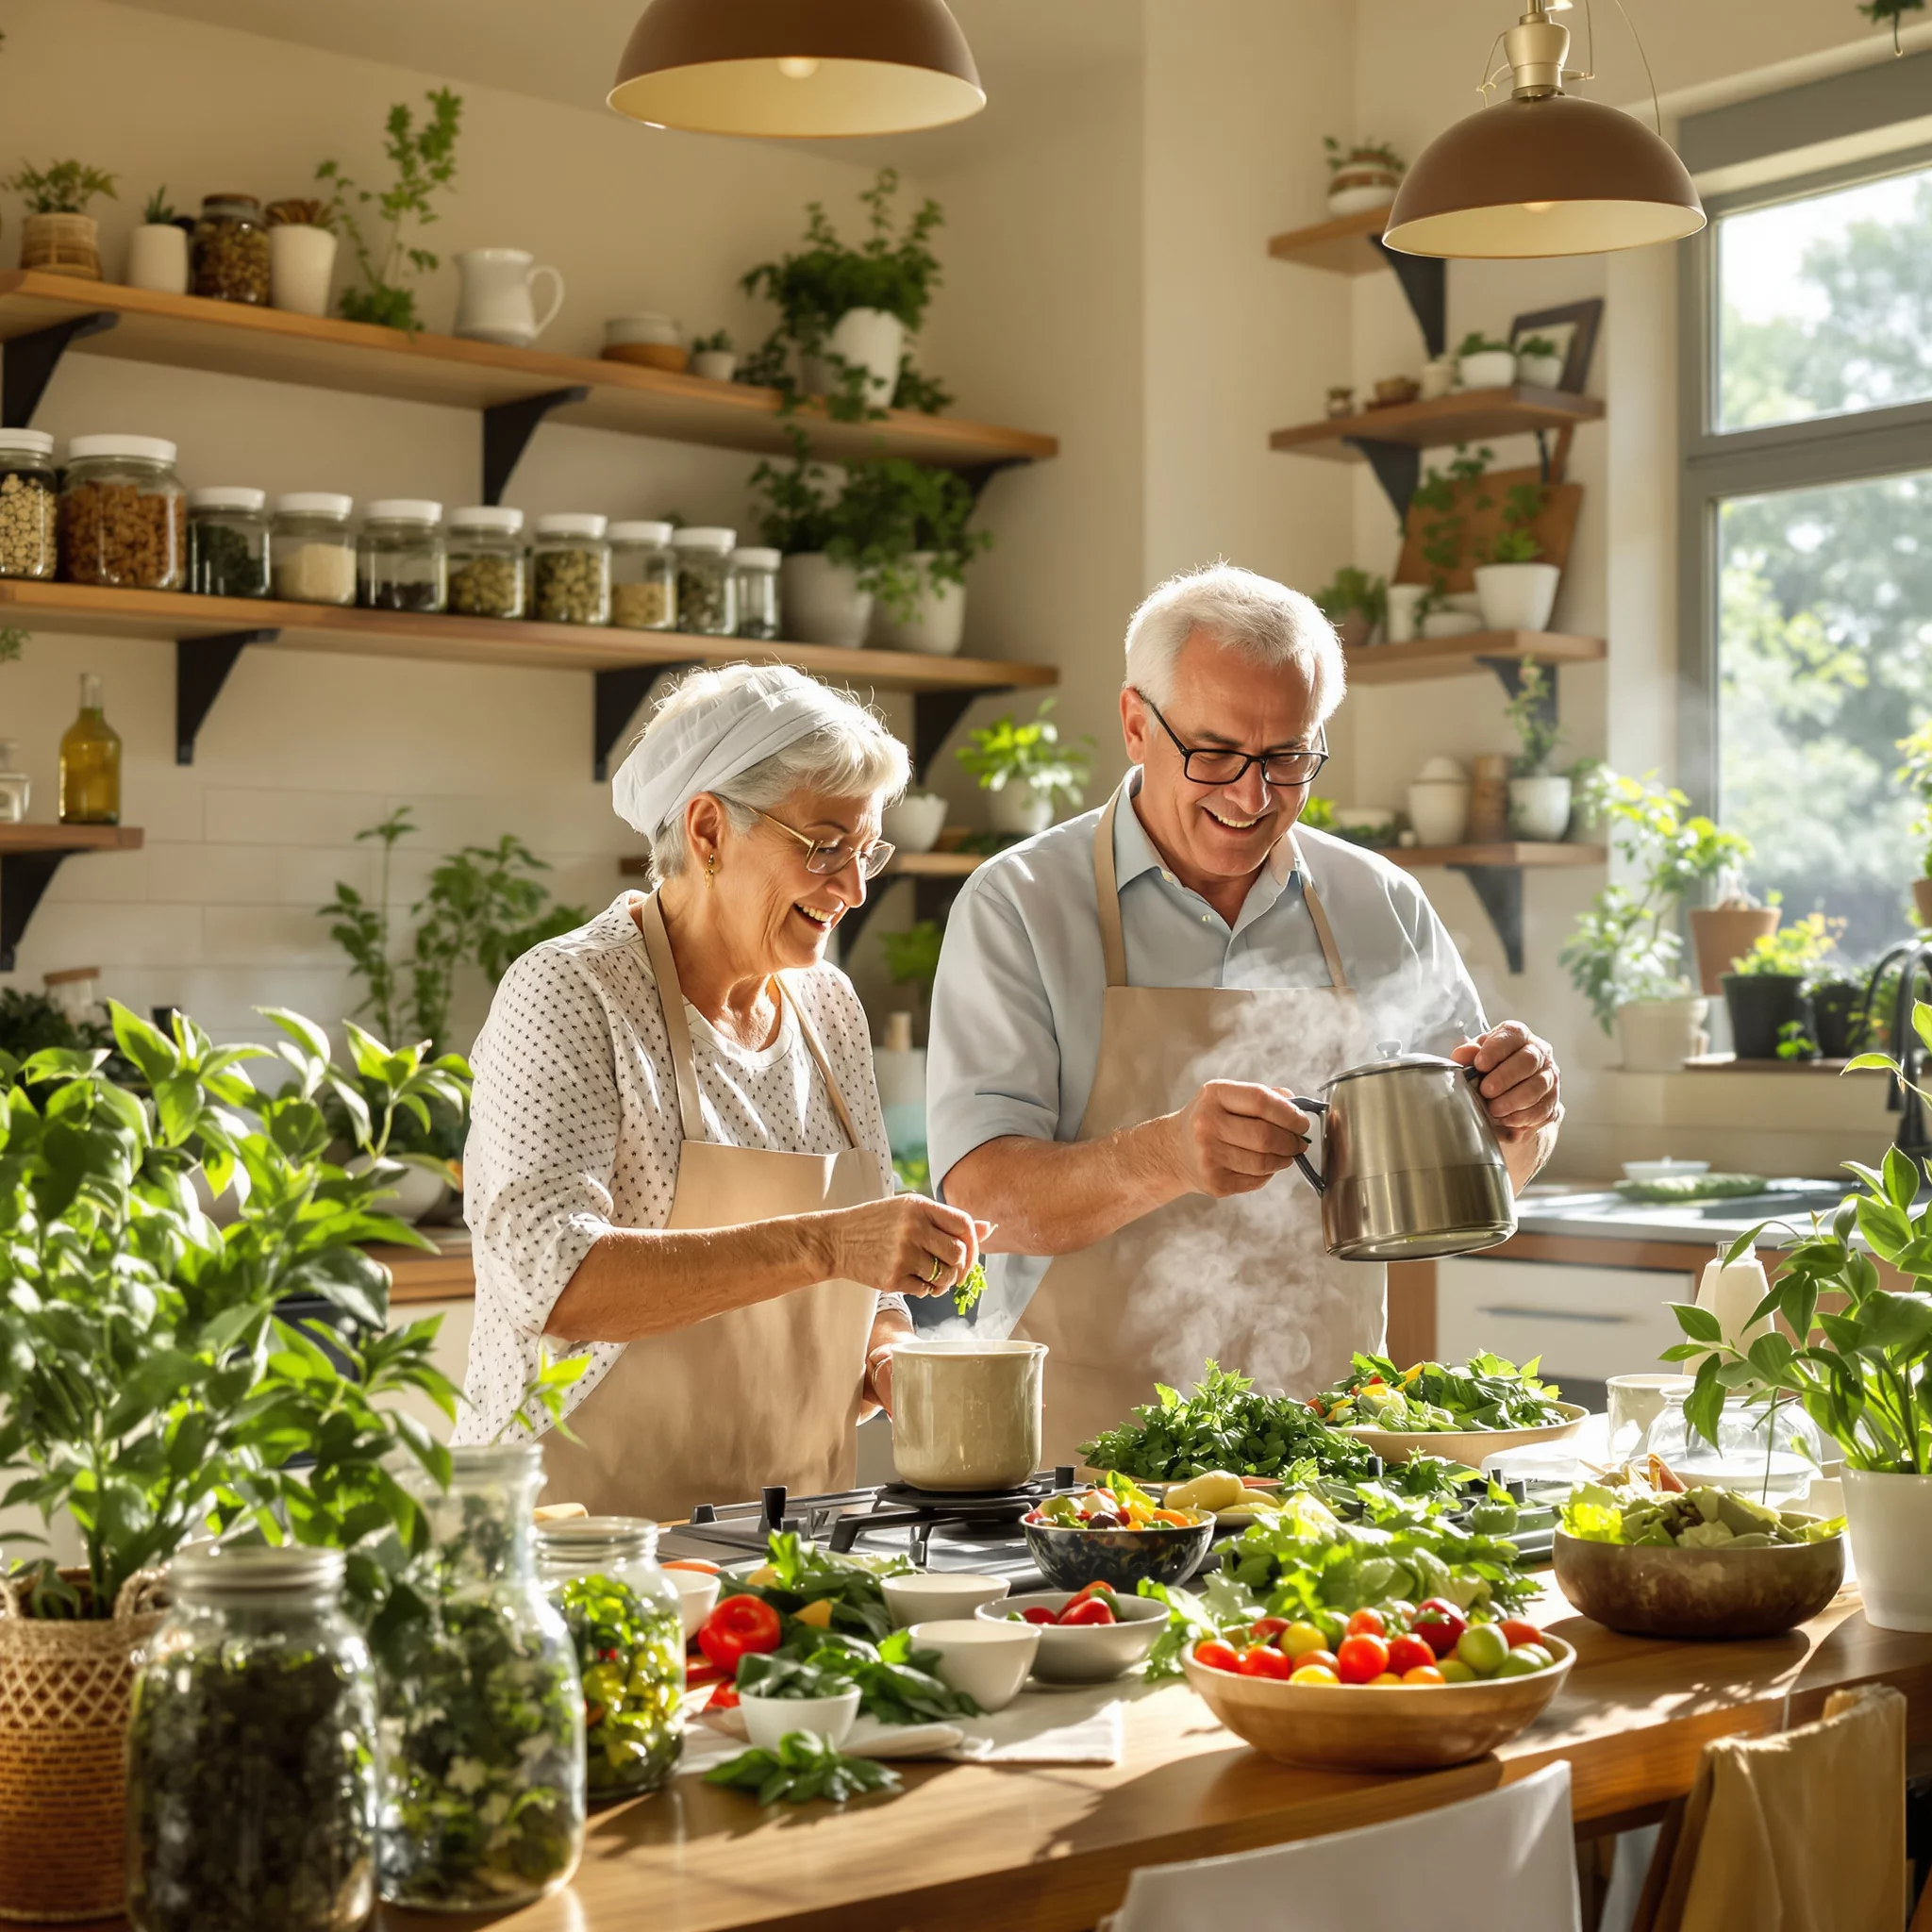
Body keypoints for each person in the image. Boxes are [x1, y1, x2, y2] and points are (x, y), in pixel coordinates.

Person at [926, 564, 1563, 1465]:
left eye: (1288, 760)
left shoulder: (1378, 902)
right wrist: (1164, 1156)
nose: (1250, 797)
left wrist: (1520, 1116)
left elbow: (1491, 1166)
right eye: (1216, 754)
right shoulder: (1021, 904)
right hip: (1082, 1452)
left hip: (1326, 1444)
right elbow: (983, 1201)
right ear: (1136, 724)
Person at [456, 663, 986, 1520]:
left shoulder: (829, 1008)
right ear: (708, 830)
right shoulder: (570, 992)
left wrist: (888, 1353)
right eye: (825, 847)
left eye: (866, 852)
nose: (854, 890)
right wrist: (825, 1245)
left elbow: (868, 1288)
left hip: (795, 1534)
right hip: (585, 1537)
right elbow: (549, 1283)